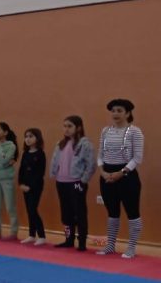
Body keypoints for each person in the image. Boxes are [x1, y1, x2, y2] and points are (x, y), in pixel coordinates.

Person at [97, 98, 144, 259]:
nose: (115, 114)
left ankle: (131, 247)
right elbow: (100, 155)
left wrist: (121, 172)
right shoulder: (105, 131)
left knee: (132, 212)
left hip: (127, 176)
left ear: (127, 113)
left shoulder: (135, 131)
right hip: (107, 175)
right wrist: (103, 172)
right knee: (112, 212)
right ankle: (110, 245)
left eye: (119, 111)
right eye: (113, 111)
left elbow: (137, 158)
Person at [50, 115, 94, 251]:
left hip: (76, 182)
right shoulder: (60, 144)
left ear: (78, 128)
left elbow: (91, 164)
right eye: (64, 126)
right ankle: (69, 239)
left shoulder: (85, 144)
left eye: (70, 126)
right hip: (61, 182)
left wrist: (83, 180)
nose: (66, 129)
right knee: (66, 213)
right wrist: (54, 173)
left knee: (79, 212)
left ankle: (82, 242)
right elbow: (55, 160)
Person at [18, 128, 47, 246]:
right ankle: (31, 234)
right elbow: (21, 170)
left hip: (35, 186)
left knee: (32, 209)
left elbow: (40, 173)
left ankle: (42, 236)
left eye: (31, 136)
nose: (28, 139)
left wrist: (31, 186)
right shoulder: (25, 153)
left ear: (37, 138)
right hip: (25, 185)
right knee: (29, 210)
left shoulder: (40, 154)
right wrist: (20, 183)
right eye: (26, 136)